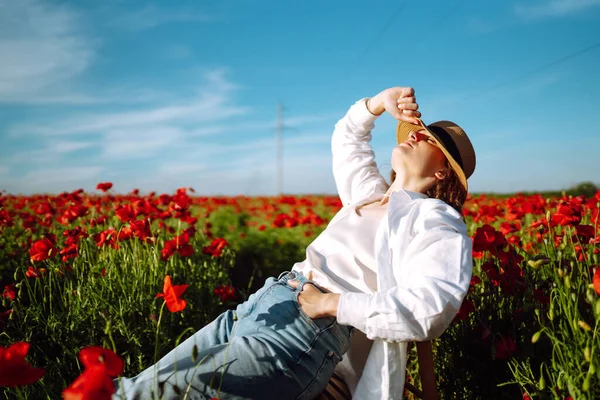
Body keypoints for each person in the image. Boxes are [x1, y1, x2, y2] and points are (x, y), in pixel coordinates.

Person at [113, 86, 476, 400]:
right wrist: (379, 102)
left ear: (443, 171)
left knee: (147, 396)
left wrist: (333, 304)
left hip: (308, 330)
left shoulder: (435, 220)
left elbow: (431, 307)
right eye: (418, 131)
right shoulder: (367, 195)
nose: (414, 135)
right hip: (258, 306)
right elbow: (347, 137)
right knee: (134, 387)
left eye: (429, 139)